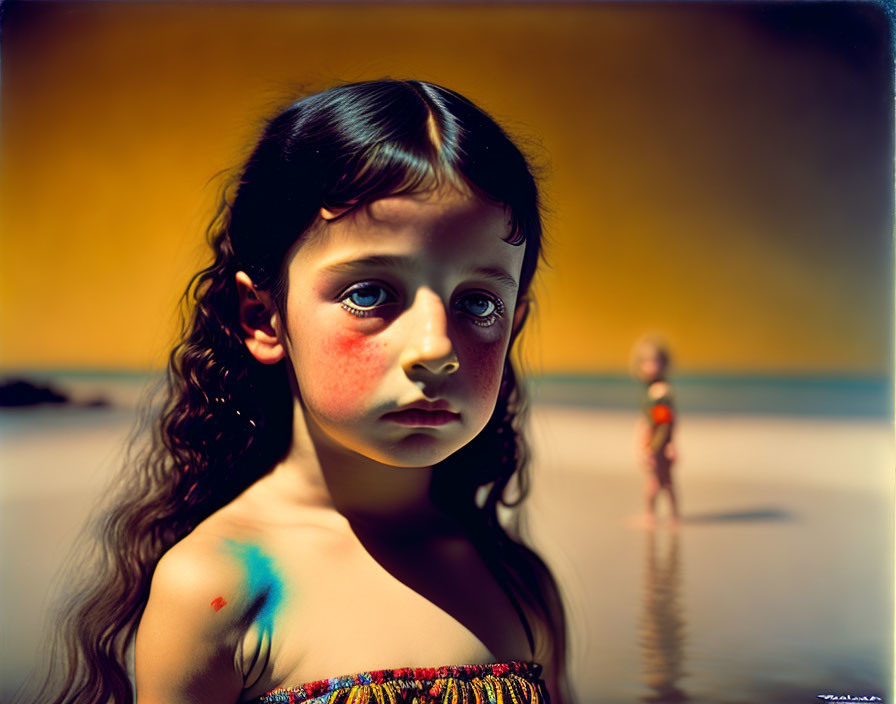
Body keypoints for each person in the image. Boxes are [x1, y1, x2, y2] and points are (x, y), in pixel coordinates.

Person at [31, 80, 571, 704]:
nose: (436, 347)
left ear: (516, 322)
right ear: (264, 316)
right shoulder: (216, 590)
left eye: (478, 302)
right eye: (369, 294)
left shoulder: (521, 586)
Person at [632, 337, 679, 526]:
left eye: (655, 362)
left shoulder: (659, 392)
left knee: (656, 480)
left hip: (657, 444)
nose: (650, 367)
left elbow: (665, 423)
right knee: (666, 480)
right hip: (659, 443)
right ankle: (675, 516)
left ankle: (650, 514)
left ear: (664, 364)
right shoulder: (653, 389)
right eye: (645, 362)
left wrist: (655, 447)